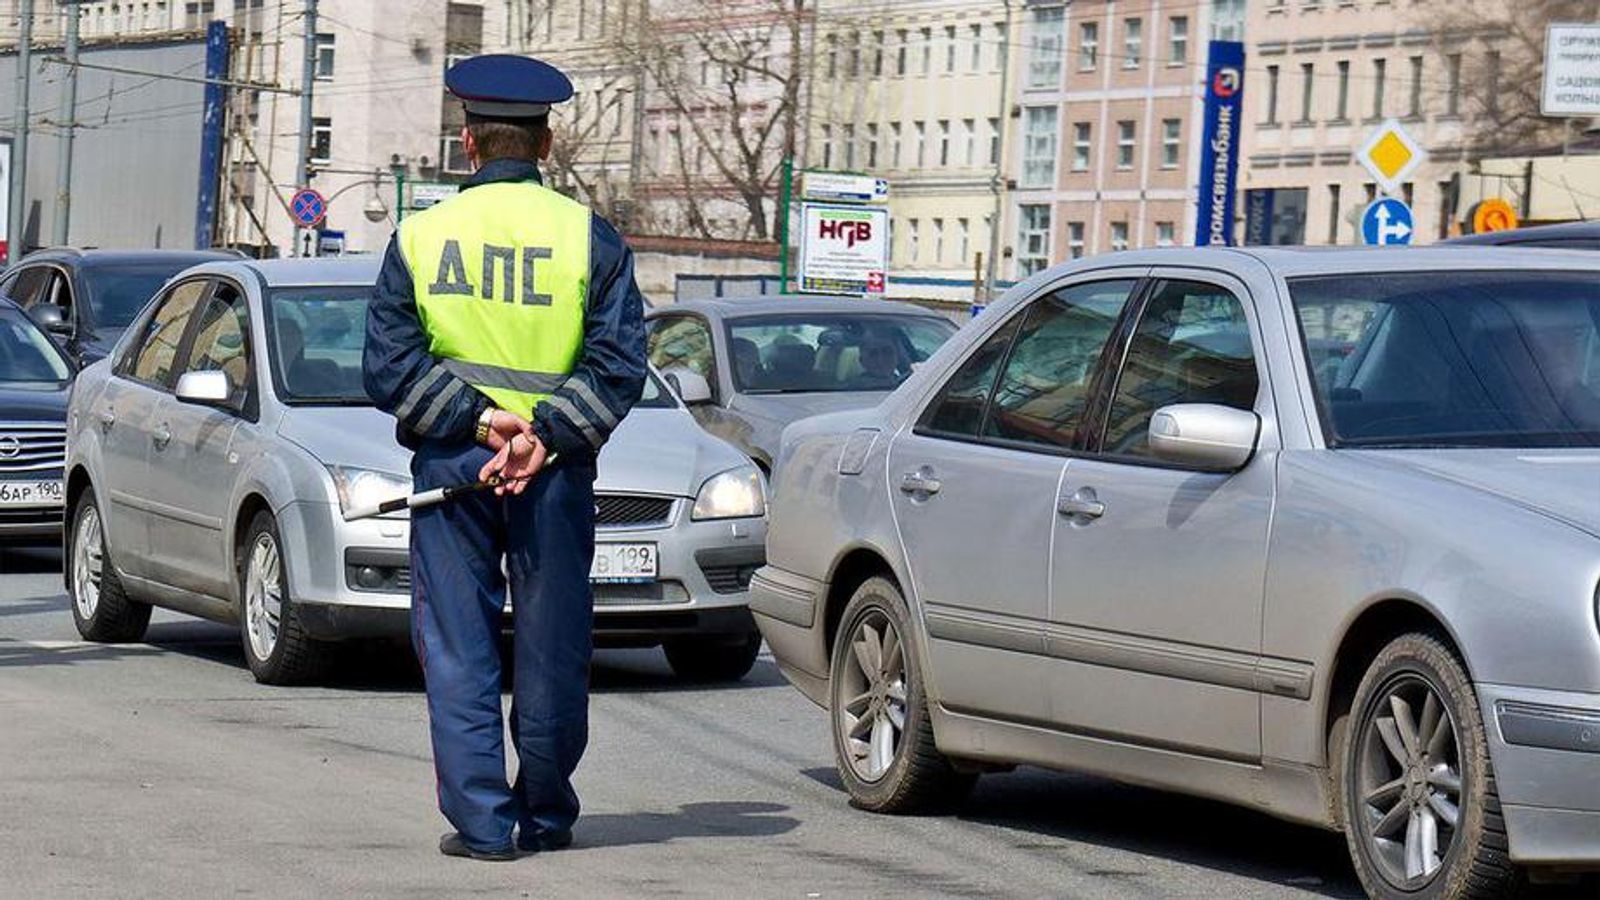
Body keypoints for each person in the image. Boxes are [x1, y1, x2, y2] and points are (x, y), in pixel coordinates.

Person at [363, 54, 646, 862]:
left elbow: (389, 368)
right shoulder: (590, 238)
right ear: (547, 144)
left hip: (454, 468)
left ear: (468, 142)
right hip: (551, 472)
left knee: (459, 644)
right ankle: (548, 817)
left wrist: (480, 423)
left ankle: (486, 826)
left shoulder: (419, 237)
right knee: (554, 642)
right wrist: (539, 434)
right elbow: (618, 365)